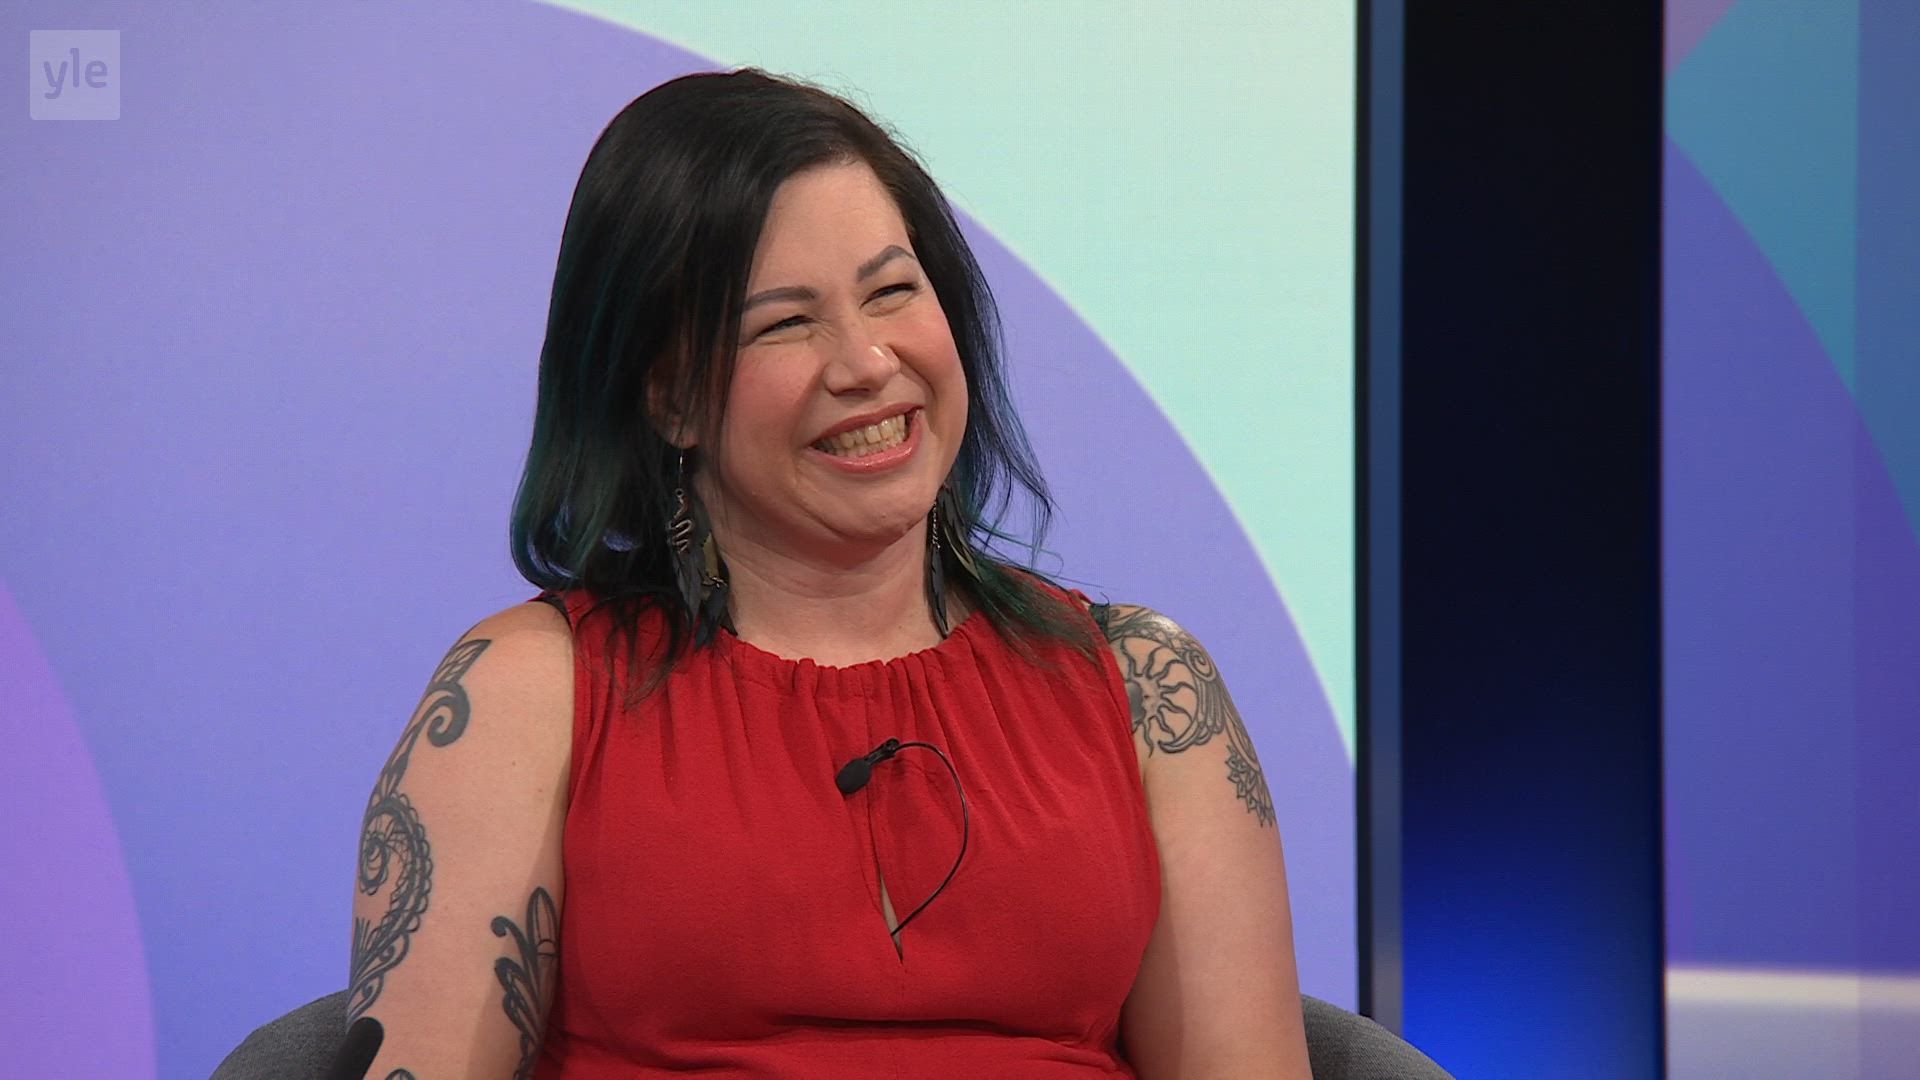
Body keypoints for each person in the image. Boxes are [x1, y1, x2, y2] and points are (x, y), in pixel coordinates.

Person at [347, 68, 1311, 1079]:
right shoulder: (527, 694)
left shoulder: (1146, 689)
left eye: (892, 293)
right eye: (784, 323)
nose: (867, 363)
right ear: (671, 398)